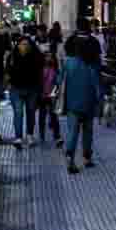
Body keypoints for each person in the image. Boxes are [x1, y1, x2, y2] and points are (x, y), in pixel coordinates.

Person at [62, 32, 103, 173]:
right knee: (87, 132)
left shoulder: (68, 63)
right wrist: (100, 103)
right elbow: (97, 87)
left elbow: (59, 81)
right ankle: (87, 157)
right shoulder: (91, 66)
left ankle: (70, 156)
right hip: (88, 104)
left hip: (72, 104)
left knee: (72, 132)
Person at [7, 36, 43, 148]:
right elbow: (7, 71)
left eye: (26, 44)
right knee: (18, 112)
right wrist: (8, 84)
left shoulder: (36, 57)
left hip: (32, 89)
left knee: (31, 112)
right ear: (17, 45)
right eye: (22, 44)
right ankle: (18, 137)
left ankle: (30, 135)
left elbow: (39, 72)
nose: (24, 46)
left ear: (31, 46)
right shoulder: (12, 56)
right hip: (16, 89)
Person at [38, 52, 64, 147]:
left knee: (53, 116)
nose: (49, 58)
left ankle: (57, 136)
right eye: (47, 56)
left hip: (51, 96)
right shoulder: (40, 69)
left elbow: (58, 83)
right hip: (42, 96)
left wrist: (55, 94)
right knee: (42, 115)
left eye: (51, 56)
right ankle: (42, 134)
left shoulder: (55, 70)